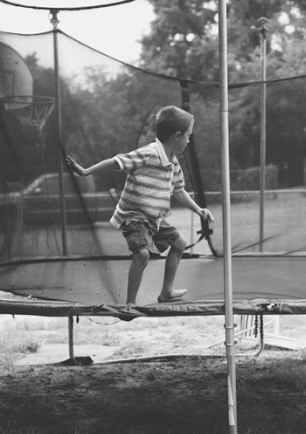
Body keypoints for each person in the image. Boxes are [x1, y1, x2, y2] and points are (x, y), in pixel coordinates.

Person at [65, 105, 214, 310]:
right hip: (133, 215)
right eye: (188, 136)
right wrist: (85, 171)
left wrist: (199, 210)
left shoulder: (174, 163)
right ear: (177, 136)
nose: (189, 140)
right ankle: (129, 304)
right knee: (142, 254)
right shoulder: (148, 154)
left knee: (179, 244)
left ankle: (166, 292)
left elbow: (179, 191)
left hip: (153, 218)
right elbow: (117, 161)